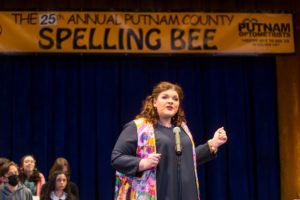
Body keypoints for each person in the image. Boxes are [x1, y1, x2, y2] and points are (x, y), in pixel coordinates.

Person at [111, 81, 228, 200]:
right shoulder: (139, 127)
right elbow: (117, 158)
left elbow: (186, 159)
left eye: (175, 99)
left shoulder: (181, 129)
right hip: (157, 194)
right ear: (154, 102)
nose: (171, 101)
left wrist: (213, 144)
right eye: (165, 97)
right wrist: (143, 163)